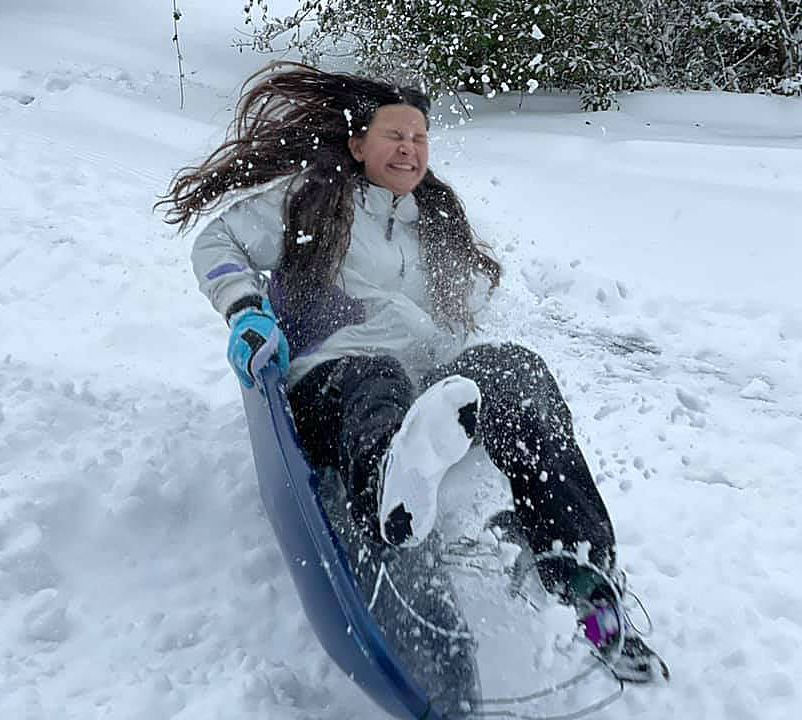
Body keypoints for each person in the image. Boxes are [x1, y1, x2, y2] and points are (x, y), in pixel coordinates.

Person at [159, 62, 667, 683]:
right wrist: (246, 312)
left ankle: (583, 576)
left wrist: (474, 361)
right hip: (334, 382)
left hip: (426, 391)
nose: (408, 147)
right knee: (379, 380)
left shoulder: (436, 219)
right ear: (357, 144)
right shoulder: (312, 202)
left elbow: (463, 312)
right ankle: (392, 494)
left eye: (419, 138)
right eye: (394, 134)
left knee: (516, 368)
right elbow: (216, 244)